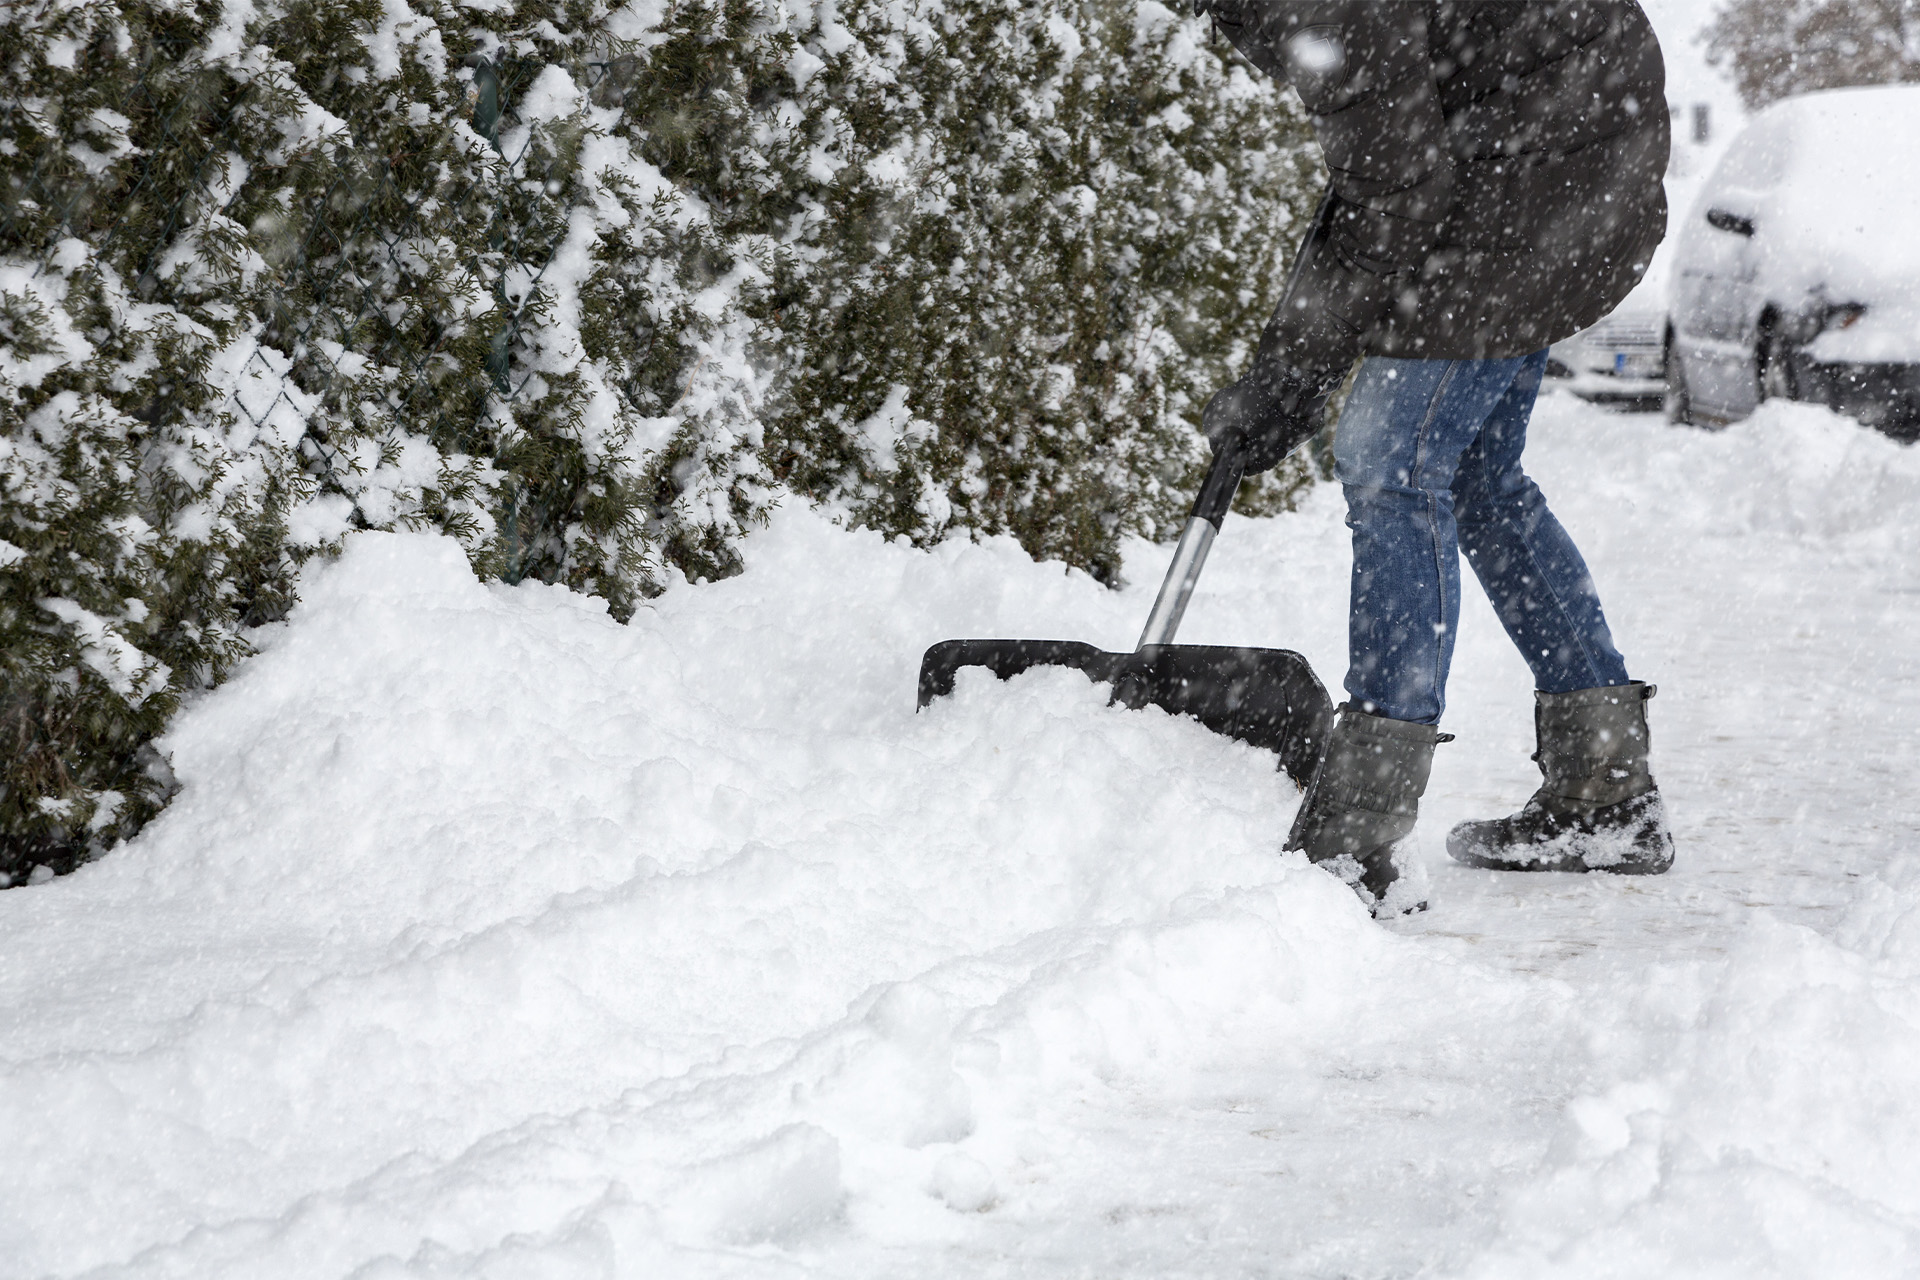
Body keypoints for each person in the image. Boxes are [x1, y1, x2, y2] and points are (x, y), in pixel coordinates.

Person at [1195, 0, 1676, 916]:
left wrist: (1294, 376)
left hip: (1530, 186)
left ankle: (1358, 835)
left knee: (1386, 467)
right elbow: (1382, 161)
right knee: (1480, 481)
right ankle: (1604, 788)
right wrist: (1286, 369)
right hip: (1568, 161)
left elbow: (1393, 182)